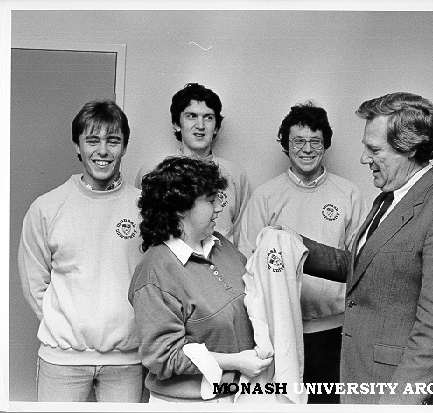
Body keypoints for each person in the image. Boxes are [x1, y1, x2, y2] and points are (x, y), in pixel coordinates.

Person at [284, 92, 433, 405]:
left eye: (374, 149)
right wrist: (297, 245)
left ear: (410, 146)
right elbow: (365, 267)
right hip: (358, 380)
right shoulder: (386, 199)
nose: (364, 158)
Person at [238, 101, 367, 404]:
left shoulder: (348, 194)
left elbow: (360, 264)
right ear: (286, 145)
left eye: (315, 141)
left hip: (334, 332)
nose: (307, 149)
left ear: (325, 145)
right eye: (298, 140)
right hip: (278, 334)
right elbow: (247, 263)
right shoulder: (265, 196)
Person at [18, 100, 145, 402]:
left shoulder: (145, 208)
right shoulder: (47, 207)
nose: (103, 151)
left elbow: (154, 281)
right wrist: (67, 329)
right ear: (77, 147)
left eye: (113, 141)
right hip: (61, 363)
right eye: (92, 140)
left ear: (124, 147)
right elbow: (34, 283)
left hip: (126, 363)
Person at [128, 157, 272, 403]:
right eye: (210, 200)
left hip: (236, 396)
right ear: (179, 208)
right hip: (187, 404)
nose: (219, 208)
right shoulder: (155, 273)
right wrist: (236, 362)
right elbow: (163, 358)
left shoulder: (221, 246)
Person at [135, 83, 251, 243]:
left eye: (208, 117)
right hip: (169, 265)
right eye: (191, 116)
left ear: (216, 127)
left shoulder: (235, 175)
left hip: (221, 264)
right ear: (177, 124)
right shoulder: (154, 171)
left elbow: (243, 235)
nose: (201, 126)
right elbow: (143, 229)